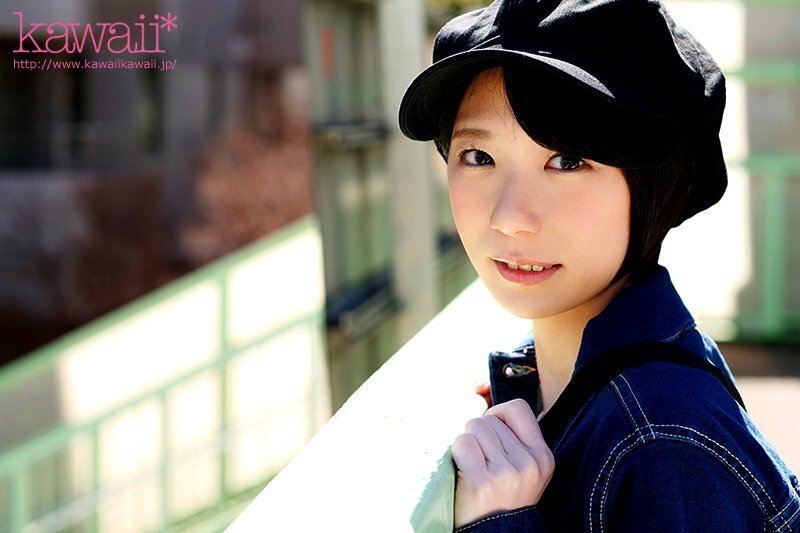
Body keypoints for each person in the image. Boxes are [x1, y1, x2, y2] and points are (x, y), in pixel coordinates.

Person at [398, 0, 800, 531]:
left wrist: (500, 522)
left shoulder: (662, 442)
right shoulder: (572, 381)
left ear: (655, 185)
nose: (510, 218)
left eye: (567, 161)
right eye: (478, 157)